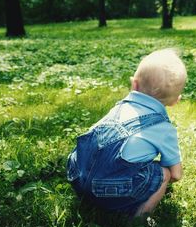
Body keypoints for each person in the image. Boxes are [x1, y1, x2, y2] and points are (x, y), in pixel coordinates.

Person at [66, 48, 187, 217]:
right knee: (164, 173)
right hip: (112, 190)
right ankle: (139, 217)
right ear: (175, 101)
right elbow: (176, 174)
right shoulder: (164, 128)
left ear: (134, 84)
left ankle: (90, 199)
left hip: (78, 177)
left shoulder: (119, 108)